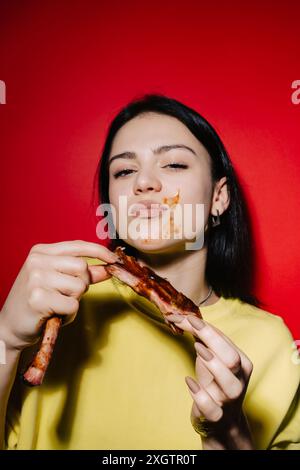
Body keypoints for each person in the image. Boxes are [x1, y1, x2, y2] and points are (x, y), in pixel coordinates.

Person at [0, 94, 299, 450]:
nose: (143, 183)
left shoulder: (272, 343)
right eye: (124, 171)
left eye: (173, 164)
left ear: (219, 197)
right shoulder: (53, 300)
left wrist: (230, 438)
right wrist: (5, 338)